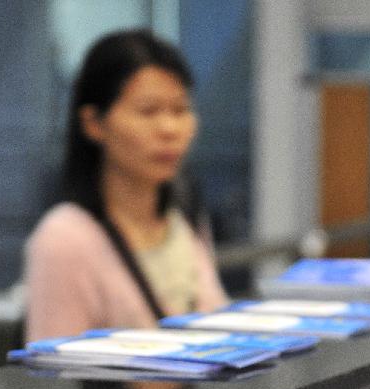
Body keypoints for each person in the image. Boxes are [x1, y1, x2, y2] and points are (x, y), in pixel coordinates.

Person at [24, 29, 227, 342]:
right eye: (148, 111)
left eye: (180, 110)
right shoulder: (64, 239)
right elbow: (54, 380)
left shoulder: (184, 213)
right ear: (94, 123)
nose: (169, 128)